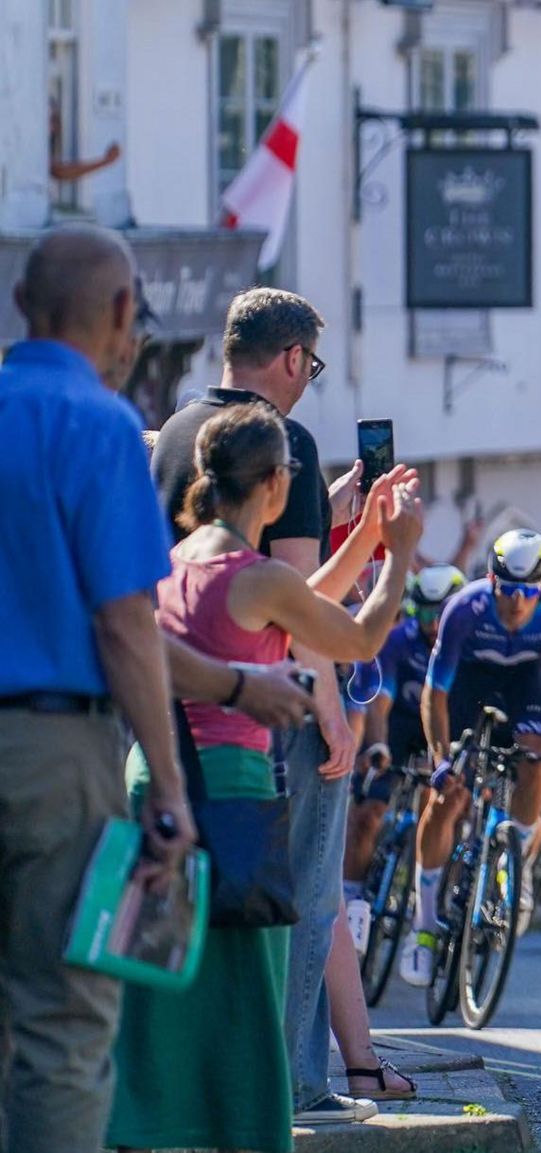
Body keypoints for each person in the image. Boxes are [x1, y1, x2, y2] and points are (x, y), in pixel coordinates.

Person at [108, 404, 423, 1151]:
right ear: (277, 486)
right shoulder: (259, 580)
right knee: (249, 993)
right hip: (234, 789)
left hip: (153, 776)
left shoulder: (179, 559)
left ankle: (143, 1130)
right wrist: (400, 553)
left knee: (157, 979)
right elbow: (355, 632)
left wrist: (368, 533)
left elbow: (294, 597)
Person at [149, 286, 392, 1123]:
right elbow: (298, 604)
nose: (307, 381)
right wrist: (331, 706)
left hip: (165, 702)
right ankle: (293, 1081)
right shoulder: (282, 439)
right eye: (311, 365)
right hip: (261, 706)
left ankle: (185, 1089)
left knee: (183, 904)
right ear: (292, 357)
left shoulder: (179, 432)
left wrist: (341, 520)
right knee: (300, 894)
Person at [0, 224, 189, 1153]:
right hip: (52, 749)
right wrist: (169, 784)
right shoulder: (102, 422)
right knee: (62, 1023)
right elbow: (126, 622)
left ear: (19, 306)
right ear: (122, 313)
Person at [400, 531, 541, 985]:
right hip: (469, 680)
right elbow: (435, 694)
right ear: (491, 580)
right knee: (446, 799)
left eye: (529, 592)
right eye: (509, 589)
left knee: (536, 759)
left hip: (526, 680)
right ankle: (423, 925)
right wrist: (441, 759)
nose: (518, 602)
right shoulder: (465, 608)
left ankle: (514, 864)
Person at [343, 565, 465, 950]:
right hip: (398, 724)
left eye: (439, 614)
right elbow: (378, 706)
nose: (432, 625)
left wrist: (445, 759)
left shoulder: (467, 642)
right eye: (424, 613)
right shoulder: (398, 641)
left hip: (444, 728)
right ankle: (351, 900)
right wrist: (377, 748)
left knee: (446, 804)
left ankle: (432, 899)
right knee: (367, 816)